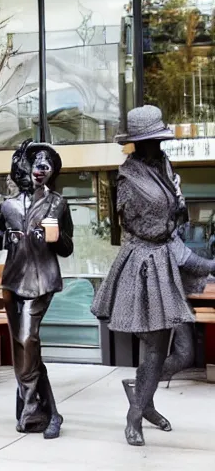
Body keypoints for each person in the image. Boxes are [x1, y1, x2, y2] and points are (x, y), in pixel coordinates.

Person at [91, 105, 215, 447]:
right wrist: (206, 264)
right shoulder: (129, 181)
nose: (158, 145)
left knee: (185, 352)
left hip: (167, 268)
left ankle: (140, 394)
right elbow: (153, 233)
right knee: (157, 350)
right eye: (151, 141)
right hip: (146, 271)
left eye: (159, 139)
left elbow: (174, 224)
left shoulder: (163, 165)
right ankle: (136, 416)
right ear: (136, 144)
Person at [0, 139, 73, 439]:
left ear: (52, 171)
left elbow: (67, 247)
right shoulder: (8, 206)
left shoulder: (58, 204)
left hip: (42, 282)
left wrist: (56, 236)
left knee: (27, 338)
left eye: (48, 163)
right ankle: (49, 414)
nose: (41, 167)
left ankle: (33, 406)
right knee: (25, 349)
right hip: (12, 283)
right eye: (37, 161)